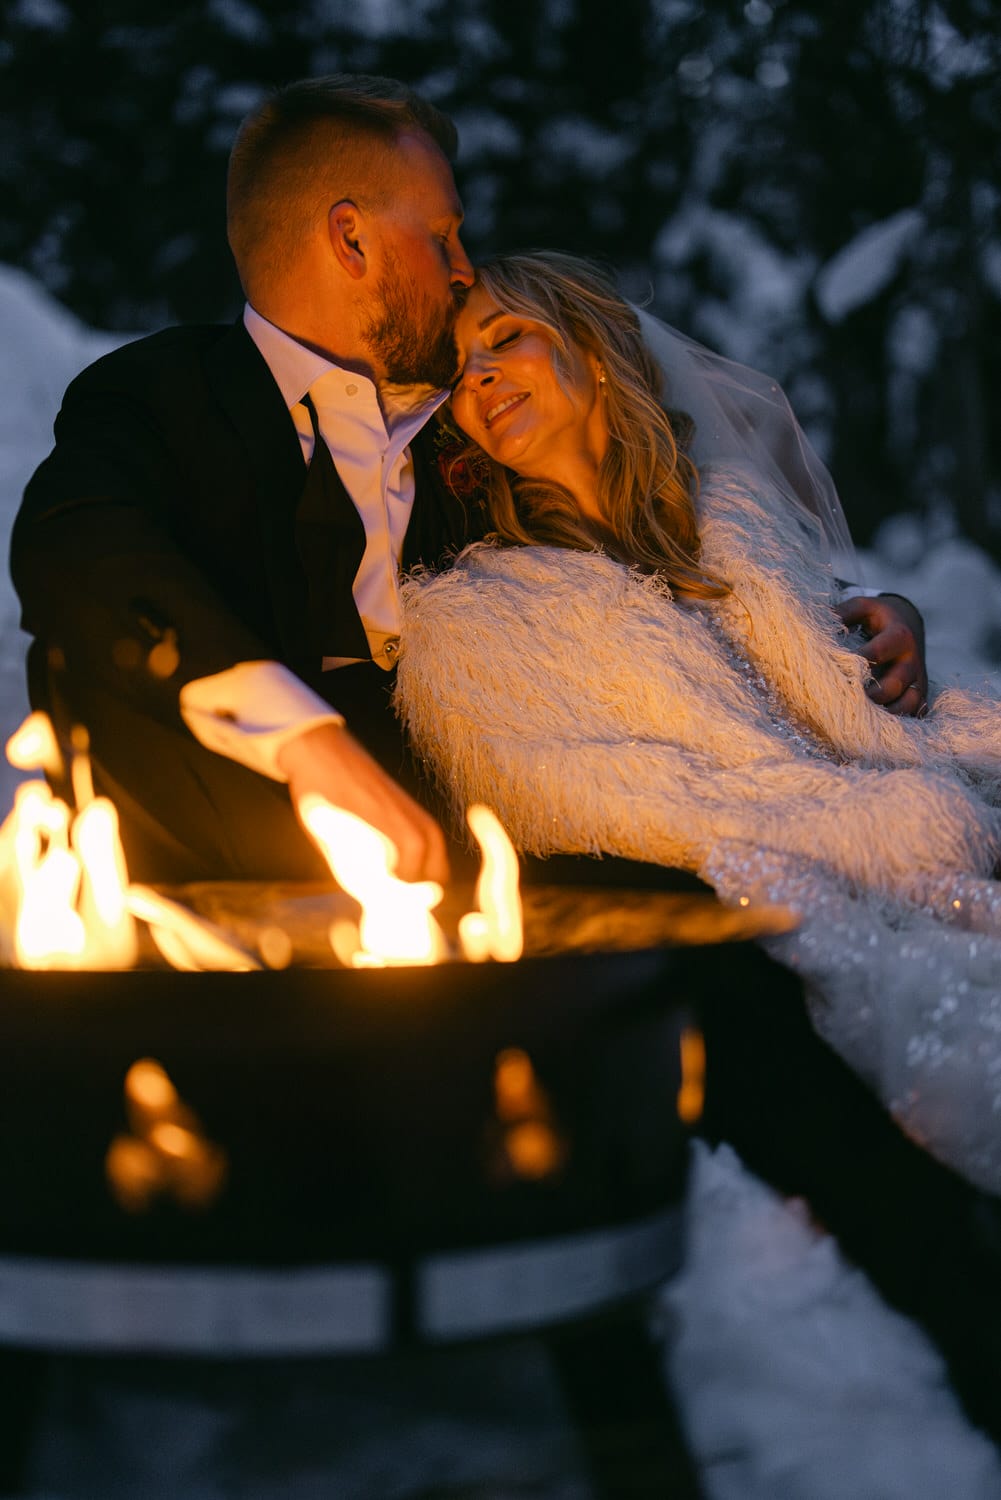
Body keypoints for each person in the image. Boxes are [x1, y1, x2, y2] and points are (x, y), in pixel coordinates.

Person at [10, 75, 924, 893]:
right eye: (442, 234)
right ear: (351, 238)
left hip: (501, 902)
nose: (460, 268)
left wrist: (842, 613)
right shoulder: (165, 392)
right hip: (216, 900)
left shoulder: (471, 422)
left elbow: (629, 558)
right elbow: (78, 546)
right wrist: (303, 741)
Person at [394, 250, 1001, 1197]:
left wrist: (894, 625)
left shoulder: (734, 524)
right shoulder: (480, 625)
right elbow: (611, 812)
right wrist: (899, 822)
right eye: (456, 372)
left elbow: (853, 691)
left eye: (505, 339)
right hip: (776, 918)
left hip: (914, 838)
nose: (475, 380)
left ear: (595, 352)